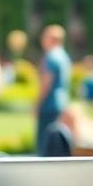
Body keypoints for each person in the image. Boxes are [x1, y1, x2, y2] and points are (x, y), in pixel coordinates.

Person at [36, 24, 72, 155]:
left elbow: (46, 83)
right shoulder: (64, 56)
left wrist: (37, 104)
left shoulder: (51, 57)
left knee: (44, 143)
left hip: (49, 103)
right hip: (60, 103)